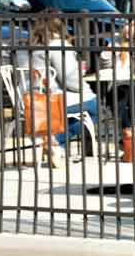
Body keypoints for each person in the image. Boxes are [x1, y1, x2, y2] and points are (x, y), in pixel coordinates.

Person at [16, 12, 98, 164]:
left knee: (77, 111)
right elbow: (69, 79)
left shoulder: (25, 46)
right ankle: (56, 143)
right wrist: (86, 88)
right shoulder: (57, 44)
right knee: (95, 106)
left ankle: (54, 147)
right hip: (49, 101)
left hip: (26, 101)